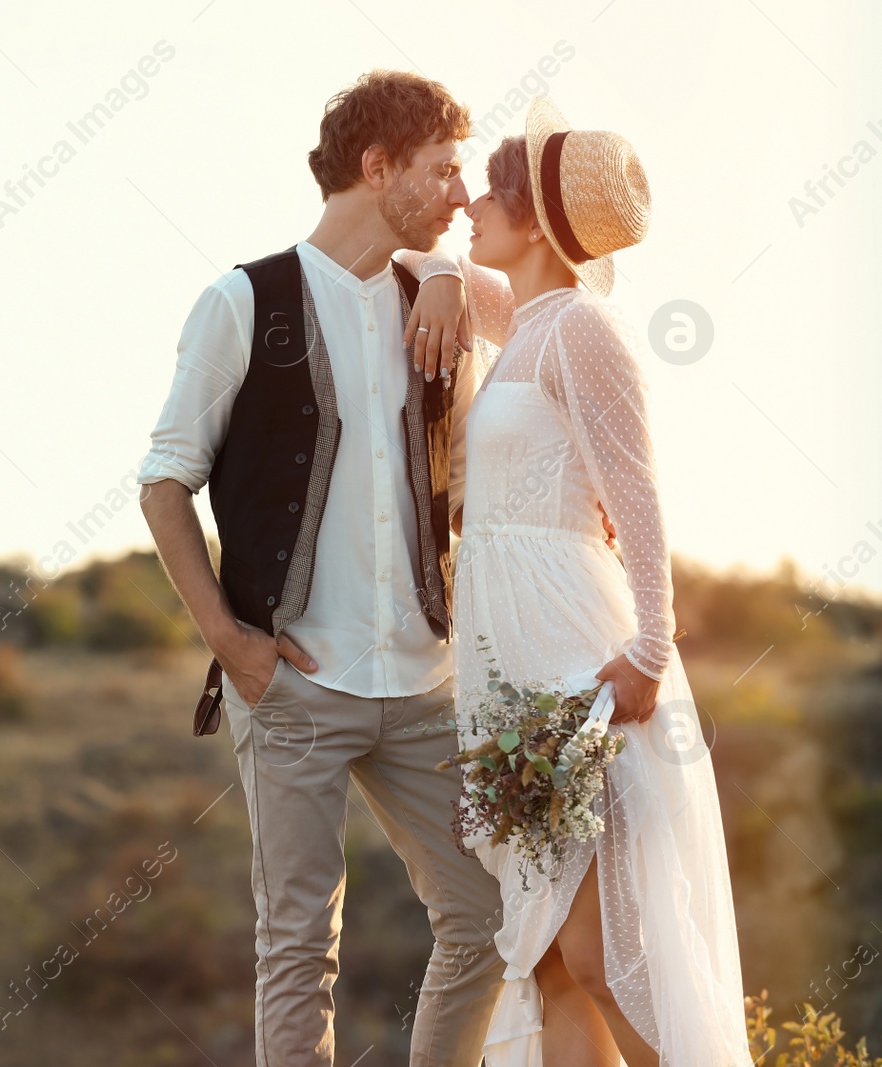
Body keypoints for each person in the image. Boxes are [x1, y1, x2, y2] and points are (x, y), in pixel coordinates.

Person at [136, 70, 506, 1066]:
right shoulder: (239, 302)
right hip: (294, 684)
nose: (462, 196)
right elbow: (163, 482)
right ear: (376, 167)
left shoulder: (438, 305)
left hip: (423, 683)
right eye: (441, 172)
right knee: (298, 946)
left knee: (488, 916)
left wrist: (446, 273)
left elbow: (464, 486)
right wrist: (231, 644)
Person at [394, 97, 753, 1066]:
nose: (469, 202)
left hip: (564, 645)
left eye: (491, 192)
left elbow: (636, 498)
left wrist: (648, 649)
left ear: (537, 218)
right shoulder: (525, 319)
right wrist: (433, 269)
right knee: (553, 958)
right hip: (500, 650)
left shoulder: (583, 329)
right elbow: (411, 262)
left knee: (597, 950)